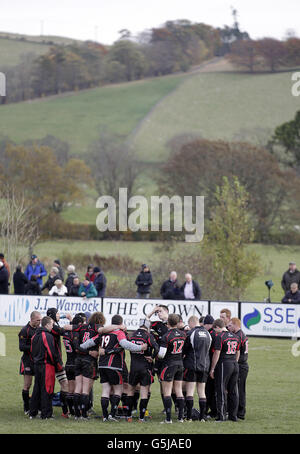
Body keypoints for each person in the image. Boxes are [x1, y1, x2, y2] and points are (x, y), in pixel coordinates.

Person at [79, 314, 148, 422]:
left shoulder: (103, 334)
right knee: (118, 390)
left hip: (102, 365)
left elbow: (85, 344)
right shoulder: (119, 333)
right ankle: (111, 415)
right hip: (114, 365)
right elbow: (125, 344)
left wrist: (90, 349)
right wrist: (141, 347)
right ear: (121, 323)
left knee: (105, 390)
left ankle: (105, 416)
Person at [29, 316, 63, 419]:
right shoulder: (47, 335)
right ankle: (46, 414)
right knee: (47, 389)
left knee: (37, 389)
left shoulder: (35, 335)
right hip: (47, 365)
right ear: (47, 325)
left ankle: (33, 412)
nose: (53, 327)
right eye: (52, 325)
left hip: (37, 364)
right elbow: (51, 352)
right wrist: (58, 365)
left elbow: (31, 351)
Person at [127, 319, 159, 422]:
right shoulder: (148, 335)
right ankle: (141, 418)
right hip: (145, 367)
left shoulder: (131, 334)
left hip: (133, 367)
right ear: (147, 326)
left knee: (130, 391)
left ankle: (129, 417)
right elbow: (157, 348)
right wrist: (152, 357)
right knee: (144, 392)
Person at [209, 318, 241, 422]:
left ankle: (221, 416)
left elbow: (217, 353)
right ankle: (233, 416)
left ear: (218, 327)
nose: (214, 332)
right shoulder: (236, 336)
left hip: (224, 364)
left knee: (221, 390)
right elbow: (238, 352)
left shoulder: (220, 337)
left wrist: (212, 368)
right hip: (234, 364)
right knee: (233, 391)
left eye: (215, 329)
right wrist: (235, 361)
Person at [157, 313, 186, 424]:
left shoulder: (166, 336)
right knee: (179, 391)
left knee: (167, 392)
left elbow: (161, 354)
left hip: (169, 365)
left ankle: (168, 419)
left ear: (168, 323)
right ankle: (180, 418)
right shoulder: (183, 334)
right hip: (180, 364)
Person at [183, 316, 211, 421]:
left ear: (191, 323)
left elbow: (185, 349)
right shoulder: (208, 333)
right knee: (201, 391)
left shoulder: (190, 333)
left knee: (190, 391)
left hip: (192, 365)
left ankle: (189, 417)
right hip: (205, 366)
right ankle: (202, 418)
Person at [18, 311, 42, 414]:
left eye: (40, 320)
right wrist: (34, 348)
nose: (40, 322)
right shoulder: (24, 330)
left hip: (37, 361)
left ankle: (37, 406)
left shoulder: (39, 330)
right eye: (38, 320)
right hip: (27, 361)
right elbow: (21, 347)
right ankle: (26, 407)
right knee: (27, 385)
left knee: (39, 384)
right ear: (32, 319)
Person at [228, 317, 249, 420]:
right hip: (242, 364)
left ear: (236, 325)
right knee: (239, 389)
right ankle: (238, 411)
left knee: (239, 390)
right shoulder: (242, 334)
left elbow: (237, 352)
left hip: (241, 365)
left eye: (230, 325)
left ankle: (240, 412)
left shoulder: (238, 336)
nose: (228, 327)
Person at [62, 314, 83, 416]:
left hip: (68, 363)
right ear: (79, 324)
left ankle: (69, 411)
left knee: (70, 388)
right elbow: (76, 348)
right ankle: (75, 411)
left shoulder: (65, 333)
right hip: (76, 363)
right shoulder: (75, 334)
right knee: (77, 389)